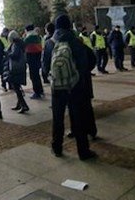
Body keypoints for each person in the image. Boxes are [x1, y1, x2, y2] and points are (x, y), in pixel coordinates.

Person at [42, 14, 97, 160]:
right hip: (75, 86)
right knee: (79, 118)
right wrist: (78, 75)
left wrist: (52, 76)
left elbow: (44, 67)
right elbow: (89, 61)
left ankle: (57, 147)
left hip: (57, 87)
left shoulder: (49, 43)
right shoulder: (76, 41)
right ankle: (83, 152)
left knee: (58, 118)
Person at [5, 30, 29, 113]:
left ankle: (23, 105)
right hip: (21, 67)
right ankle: (19, 104)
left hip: (15, 68)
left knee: (16, 87)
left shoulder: (15, 44)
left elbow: (14, 55)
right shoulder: (20, 43)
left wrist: (7, 53)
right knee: (17, 86)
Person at [23, 24, 45, 99]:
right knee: (37, 75)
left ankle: (37, 92)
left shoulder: (29, 37)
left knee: (33, 76)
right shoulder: (37, 36)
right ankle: (40, 90)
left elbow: (23, 45)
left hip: (31, 58)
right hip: (38, 57)